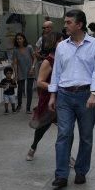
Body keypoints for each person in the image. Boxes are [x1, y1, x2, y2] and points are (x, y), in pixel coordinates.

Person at [48, 9, 95, 189]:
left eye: (68, 22)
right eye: (65, 22)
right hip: (64, 95)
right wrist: (52, 94)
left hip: (86, 95)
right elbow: (56, 71)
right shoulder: (61, 46)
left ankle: (81, 171)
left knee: (86, 136)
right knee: (64, 134)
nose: (65, 26)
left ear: (79, 25)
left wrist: (94, 93)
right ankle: (61, 175)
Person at [27, 32, 62, 161]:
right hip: (48, 99)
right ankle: (33, 147)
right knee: (42, 127)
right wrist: (56, 88)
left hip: (63, 100)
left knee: (65, 130)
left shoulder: (62, 58)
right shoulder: (48, 61)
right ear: (54, 43)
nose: (63, 43)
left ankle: (66, 156)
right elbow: (40, 82)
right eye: (60, 40)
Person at [11, 33, 36, 113]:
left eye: (20, 38)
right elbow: (14, 63)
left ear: (24, 39)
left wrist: (32, 68)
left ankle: (28, 108)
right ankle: (19, 105)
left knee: (29, 90)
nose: (18, 40)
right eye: (17, 39)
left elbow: (35, 58)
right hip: (20, 71)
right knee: (20, 89)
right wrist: (16, 74)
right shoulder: (15, 50)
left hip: (30, 70)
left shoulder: (29, 47)